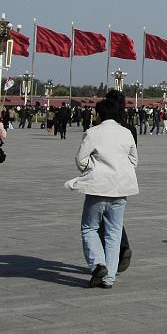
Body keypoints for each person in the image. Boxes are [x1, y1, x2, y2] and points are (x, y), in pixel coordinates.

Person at [65, 97, 139, 289]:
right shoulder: (126, 133)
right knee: (114, 233)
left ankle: (98, 264)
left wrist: (95, 168)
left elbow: (80, 159)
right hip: (120, 189)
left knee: (89, 228)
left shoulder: (93, 132)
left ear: (100, 114)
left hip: (98, 188)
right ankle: (109, 278)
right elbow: (134, 160)